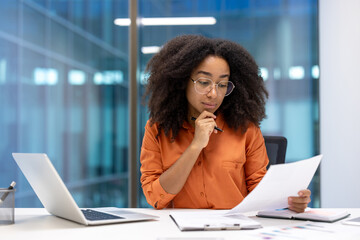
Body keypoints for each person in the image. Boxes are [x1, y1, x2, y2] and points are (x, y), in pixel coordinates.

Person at [140, 35, 311, 212]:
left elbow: (260, 194)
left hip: (235, 229)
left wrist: (289, 202)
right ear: (182, 82)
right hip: (178, 230)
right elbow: (155, 198)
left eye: (222, 85)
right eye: (204, 82)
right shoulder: (157, 129)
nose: (214, 93)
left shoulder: (246, 129)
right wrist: (195, 146)